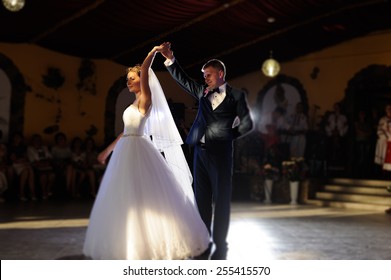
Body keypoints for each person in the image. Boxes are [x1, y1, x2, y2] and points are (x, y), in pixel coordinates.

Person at [83, 45, 210, 260]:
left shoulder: (145, 99)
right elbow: (126, 132)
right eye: (128, 79)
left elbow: (145, 70)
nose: (129, 82)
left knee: (143, 196)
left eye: (133, 78)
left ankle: (151, 243)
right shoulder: (133, 103)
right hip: (126, 149)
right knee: (125, 197)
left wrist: (153, 52)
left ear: (142, 79)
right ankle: (128, 243)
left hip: (139, 151)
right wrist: (107, 151)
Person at [160, 42, 253, 260]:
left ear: (220, 74)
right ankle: (203, 243)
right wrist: (170, 59)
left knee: (220, 201)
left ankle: (220, 246)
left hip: (220, 155)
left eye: (209, 75)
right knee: (201, 200)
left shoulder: (236, 96)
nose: (206, 79)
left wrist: (228, 134)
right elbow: (182, 79)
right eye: (204, 76)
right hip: (199, 154)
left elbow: (248, 124)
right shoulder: (202, 91)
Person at [374, 104, 391, 177]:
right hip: (384, 141)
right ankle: (384, 175)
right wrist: (385, 135)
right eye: (388, 108)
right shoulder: (382, 119)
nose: (389, 110)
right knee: (384, 157)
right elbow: (379, 131)